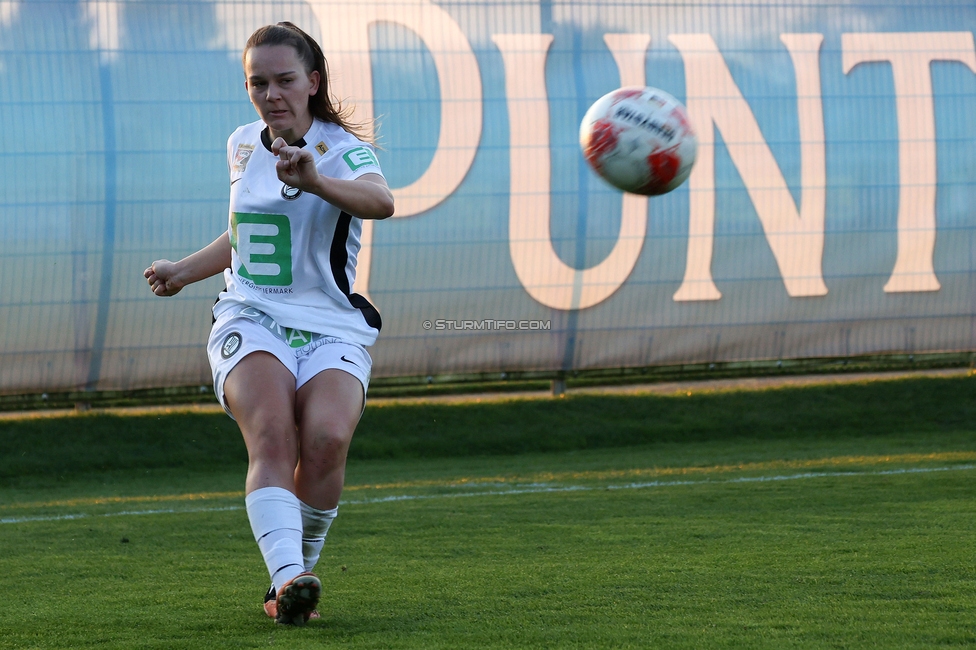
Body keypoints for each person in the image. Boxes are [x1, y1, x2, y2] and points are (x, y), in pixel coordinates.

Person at [144, 21, 394, 626]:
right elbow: (246, 237)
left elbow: (381, 202)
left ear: (313, 81)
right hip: (251, 316)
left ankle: (291, 577)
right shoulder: (241, 144)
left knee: (328, 440)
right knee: (273, 432)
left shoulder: (343, 150)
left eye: (284, 80)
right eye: (258, 83)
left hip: (333, 325)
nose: (271, 93)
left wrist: (316, 180)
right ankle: (289, 578)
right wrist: (184, 270)